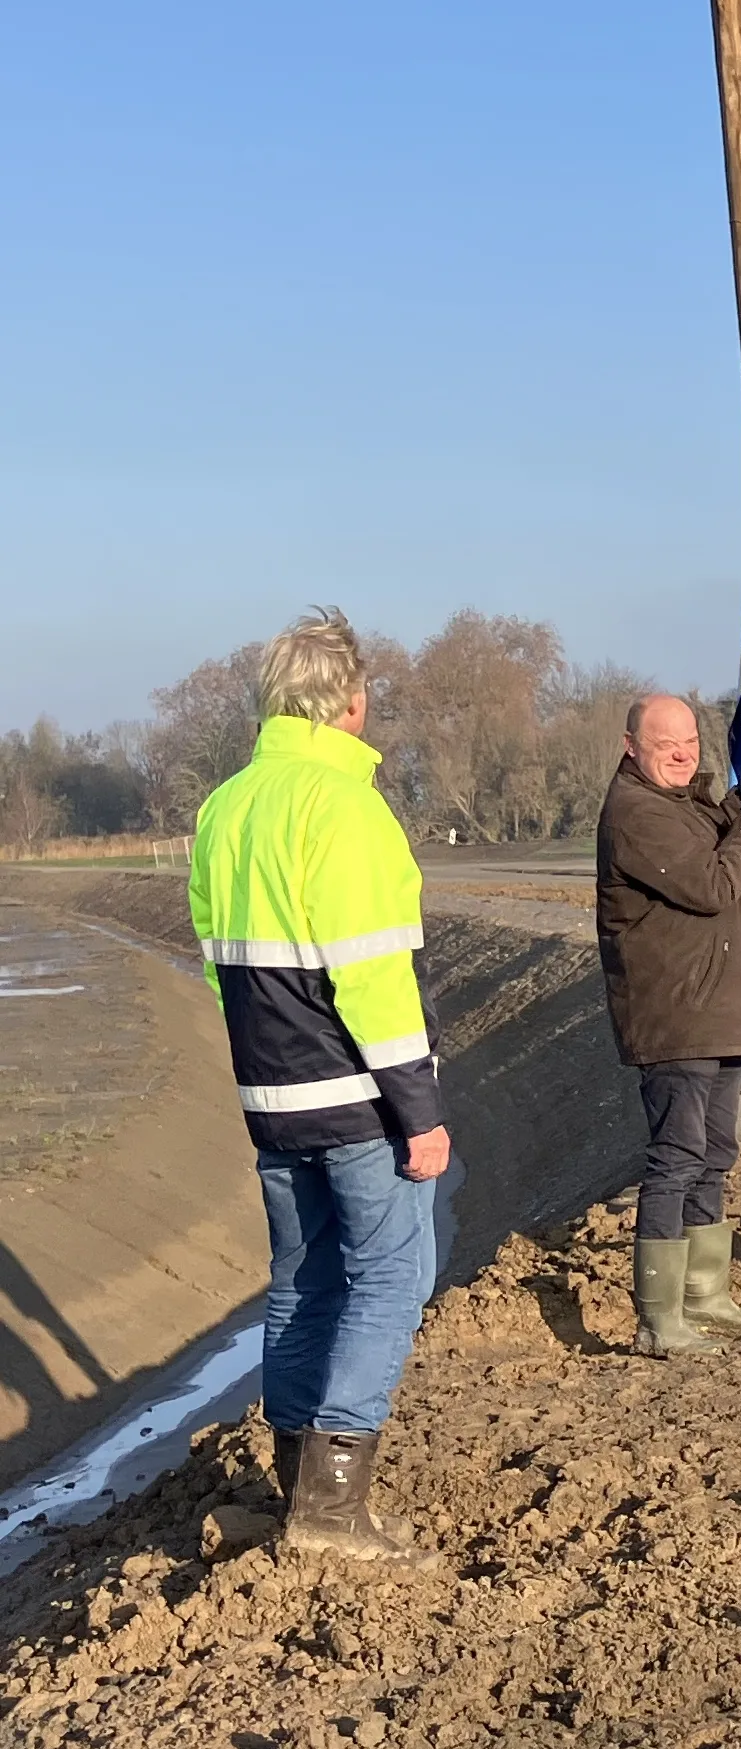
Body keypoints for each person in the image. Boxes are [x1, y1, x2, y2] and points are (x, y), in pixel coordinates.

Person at [189, 609, 450, 1567]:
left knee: (302, 1282)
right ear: (350, 701)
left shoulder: (223, 808)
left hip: (270, 1094)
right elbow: (373, 976)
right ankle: (333, 1512)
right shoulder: (347, 808)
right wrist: (419, 1111)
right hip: (356, 1094)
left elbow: (216, 961)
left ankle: (295, 1485)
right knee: (391, 1279)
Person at [594, 691, 741, 1357]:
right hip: (676, 1016)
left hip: (718, 1010)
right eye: (666, 745)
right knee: (676, 1159)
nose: (682, 755)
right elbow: (713, 883)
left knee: (713, 1156)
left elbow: (722, 833)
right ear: (631, 747)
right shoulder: (636, 814)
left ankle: (706, 1296)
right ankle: (659, 1319)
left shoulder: (680, 801)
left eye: (690, 742)